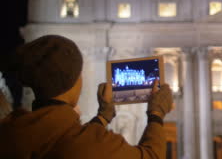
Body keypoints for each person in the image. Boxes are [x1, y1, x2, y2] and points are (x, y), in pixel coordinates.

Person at [0, 35, 173, 158]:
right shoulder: (98, 145)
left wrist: (102, 117)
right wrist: (156, 115)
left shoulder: (10, 131)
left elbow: (60, 135)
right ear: (76, 80)